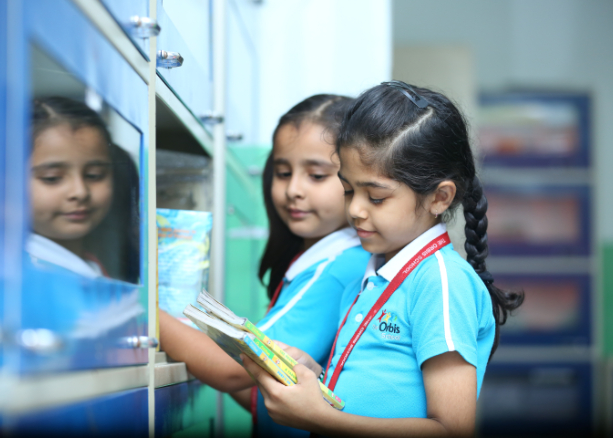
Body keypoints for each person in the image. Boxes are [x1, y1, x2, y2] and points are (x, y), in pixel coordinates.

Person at [242, 81, 524, 437]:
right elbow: (377, 391)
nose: (356, 210)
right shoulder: (373, 274)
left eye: (375, 197)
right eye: (348, 190)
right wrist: (315, 376)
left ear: (439, 198)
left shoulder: (440, 280)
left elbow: (451, 429)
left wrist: (319, 417)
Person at [159, 94, 371, 437]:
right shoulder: (320, 260)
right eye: (283, 172)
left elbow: (230, 371)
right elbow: (267, 387)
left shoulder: (337, 268)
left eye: (316, 175)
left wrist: (144, 314)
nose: (294, 190)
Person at [27, 96, 139, 282]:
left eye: (94, 175)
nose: (80, 192)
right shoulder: (16, 276)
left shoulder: (94, 265)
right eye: (52, 178)